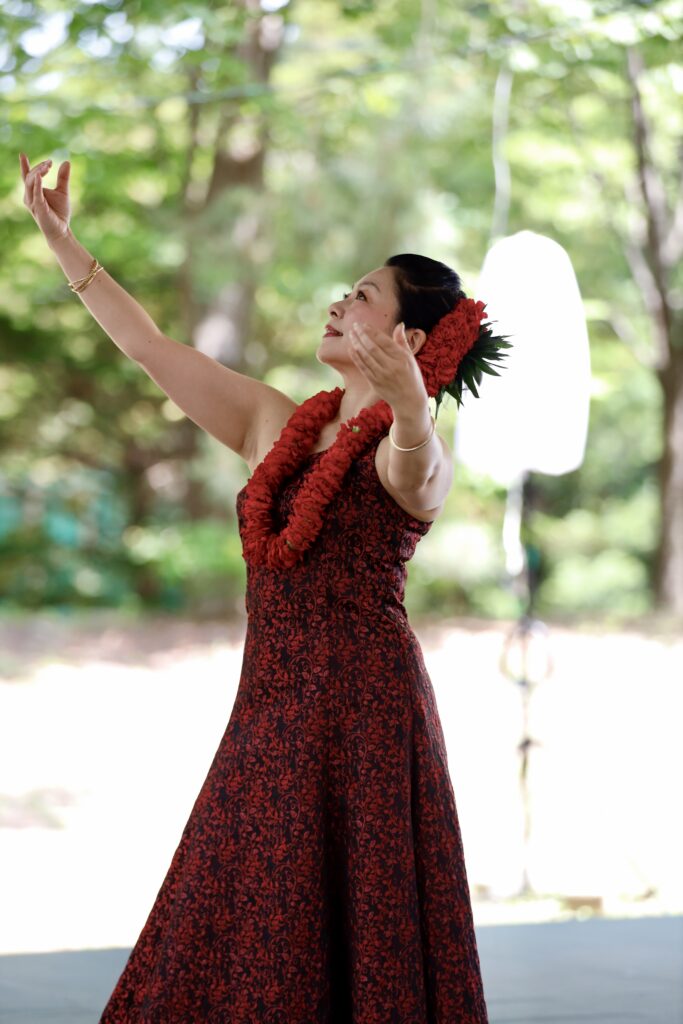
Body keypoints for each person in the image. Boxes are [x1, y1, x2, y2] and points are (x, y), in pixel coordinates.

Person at [21, 153, 505, 1023]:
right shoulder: (272, 422)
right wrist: (62, 241)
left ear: (410, 339)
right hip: (269, 710)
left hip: (363, 718)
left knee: (348, 929)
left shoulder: (410, 452)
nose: (339, 302)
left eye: (362, 295)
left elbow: (417, 463)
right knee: (236, 913)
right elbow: (150, 348)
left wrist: (409, 406)